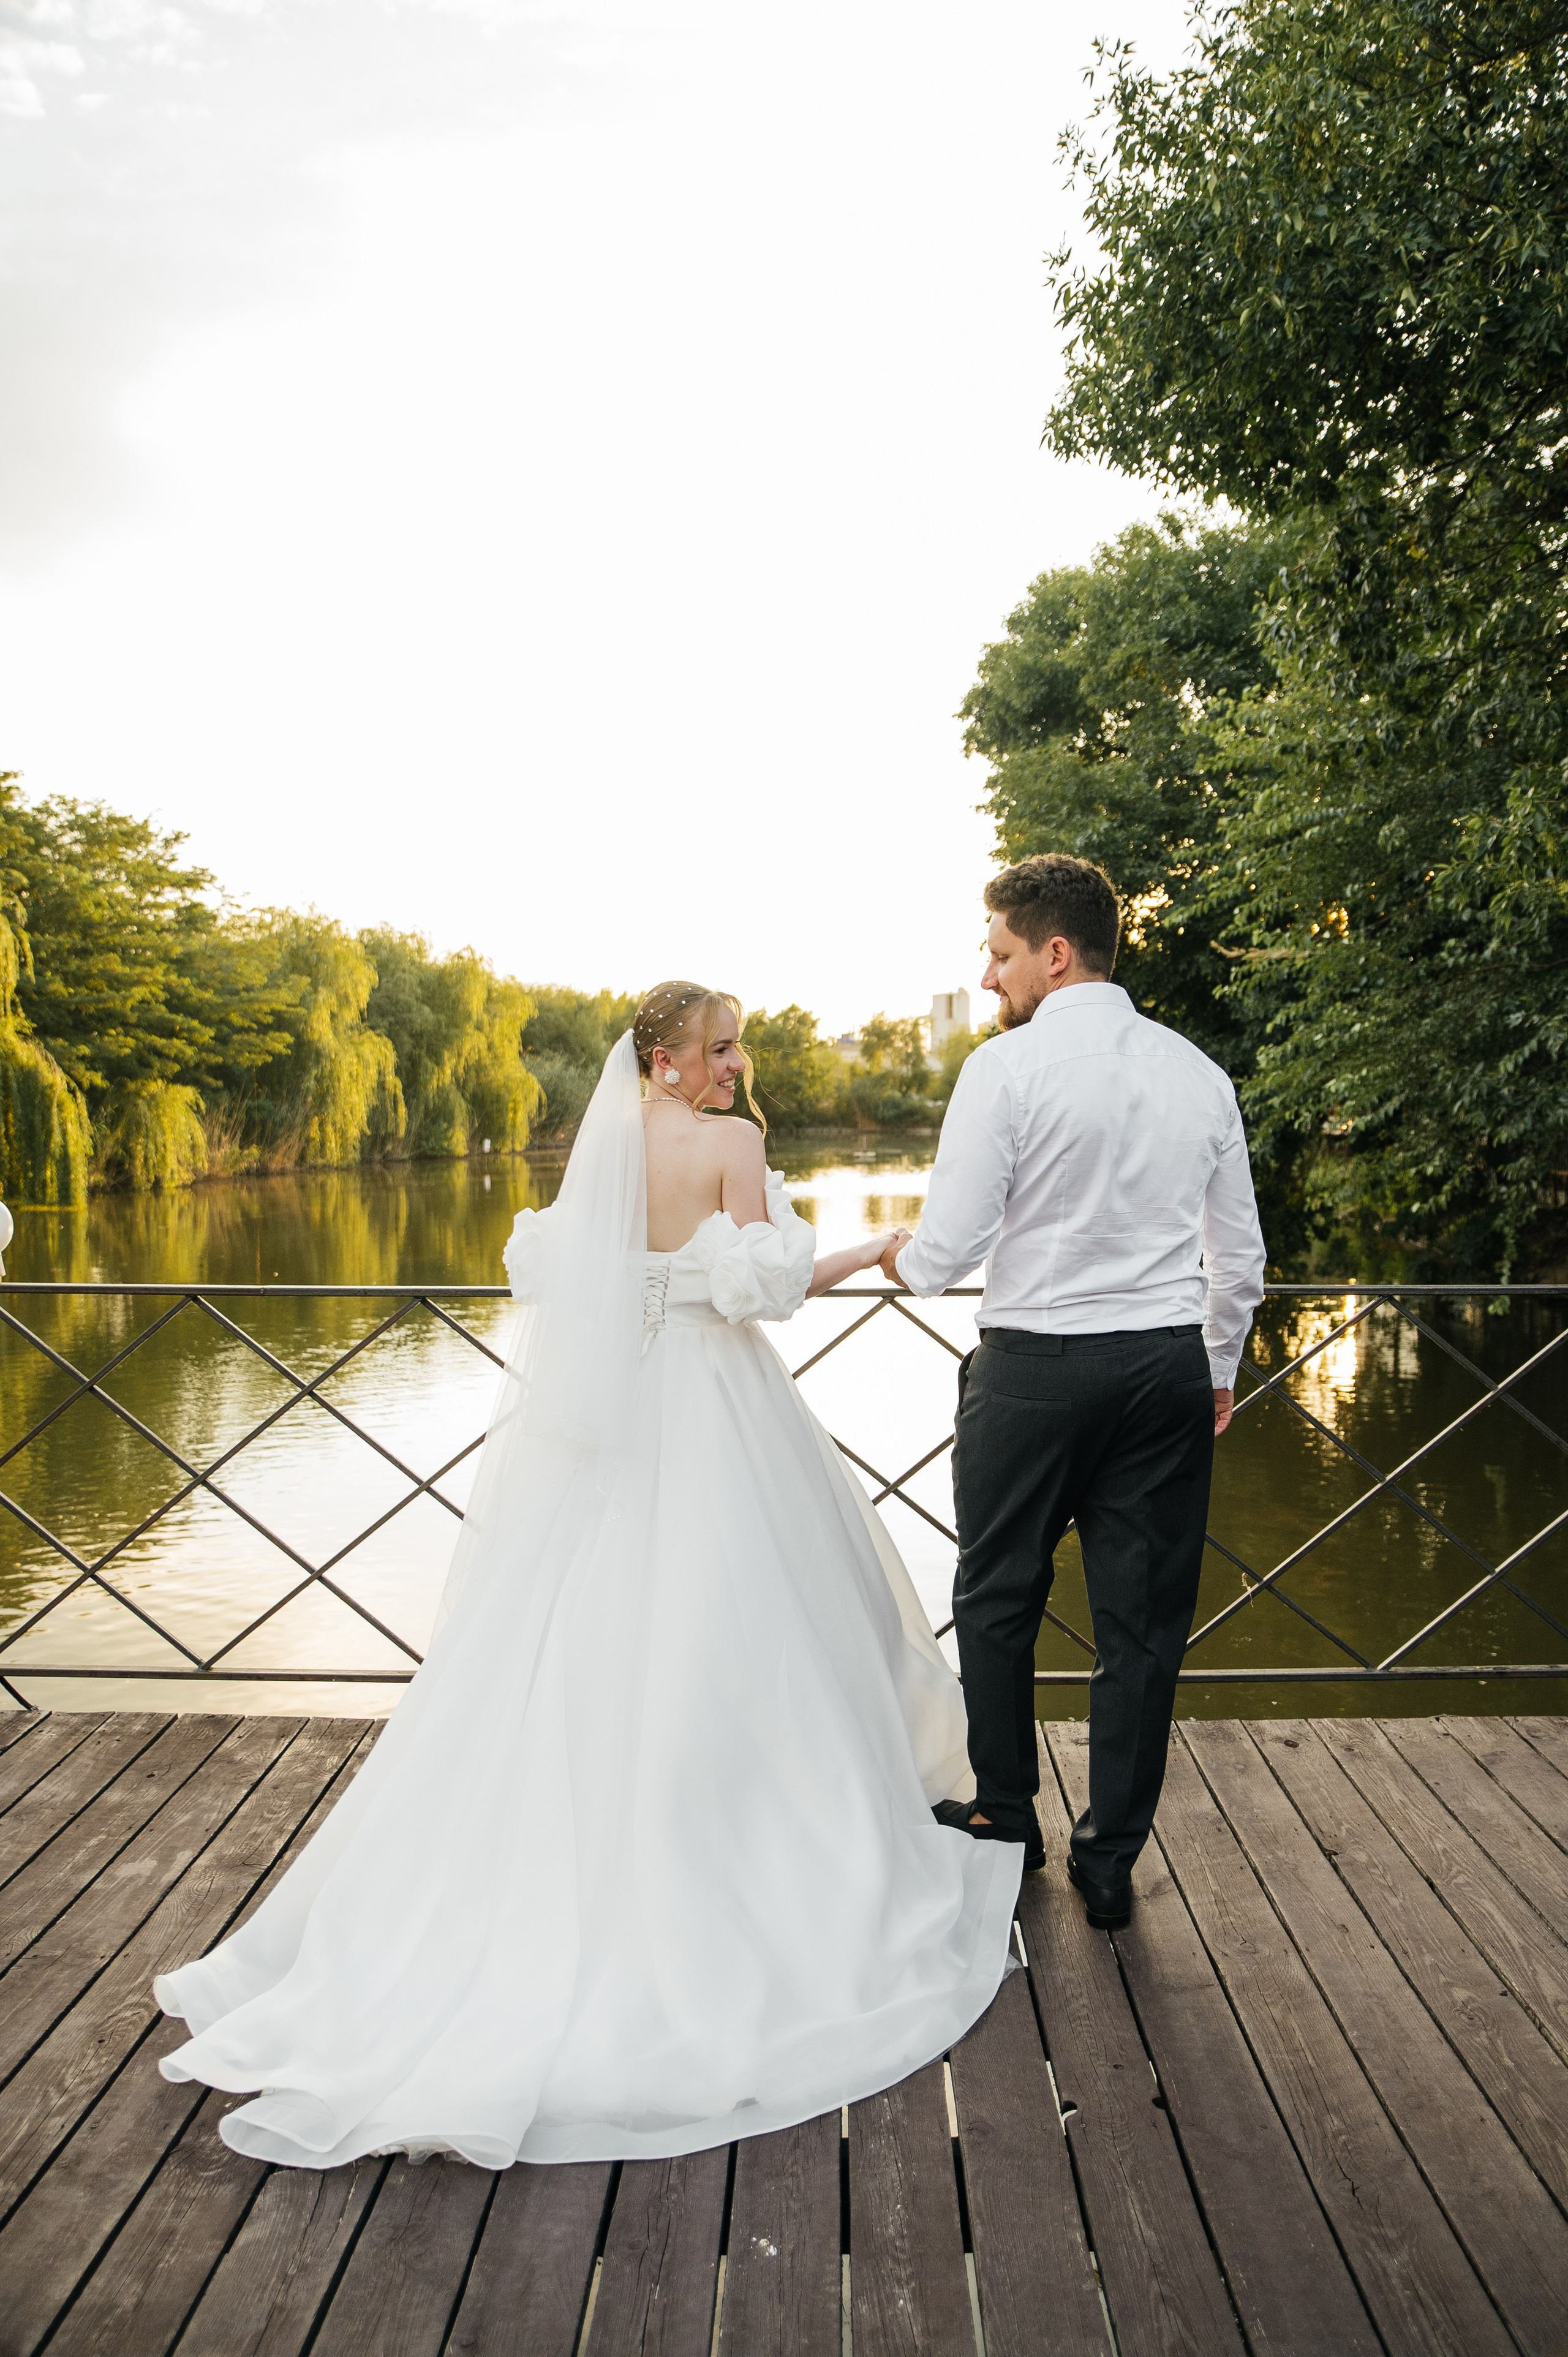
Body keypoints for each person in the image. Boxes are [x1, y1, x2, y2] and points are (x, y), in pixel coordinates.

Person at [154, 981, 1020, 2170]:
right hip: (716, 1406)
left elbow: (576, 1284)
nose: (735, 1063)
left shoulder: (606, 1146)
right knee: (748, 1638)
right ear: (662, 1060)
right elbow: (760, 1288)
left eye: (735, 1046)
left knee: (581, 1638)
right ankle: (736, 1855)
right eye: (716, 1048)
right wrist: (870, 1244)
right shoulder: (735, 1144)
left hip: (615, 1425)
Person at [884, 856, 1266, 1929]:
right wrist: (1217, 1369)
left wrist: (896, 1260)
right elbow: (1238, 1259)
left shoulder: (1002, 1072)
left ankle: (1006, 1816)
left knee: (998, 1595)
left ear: (1055, 954)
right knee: (1142, 1626)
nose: (993, 977)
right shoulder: (1198, 1072)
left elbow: (943, 1254)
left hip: (1037, 1369)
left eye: (1001, 956)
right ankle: (1110, 1860)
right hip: (1161, 1372)